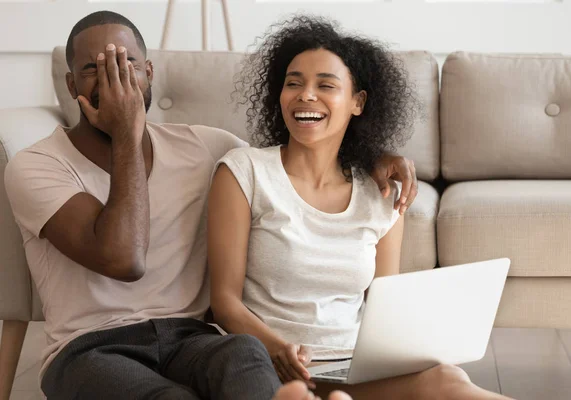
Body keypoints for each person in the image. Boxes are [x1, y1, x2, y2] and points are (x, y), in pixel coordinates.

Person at [4, 11, 418, 400]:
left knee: (246, 357)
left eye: (126, 63)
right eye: (93, 68)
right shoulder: (37, 165)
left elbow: (296, 158)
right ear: (72, 85)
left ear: (149, 74)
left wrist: (372, 157)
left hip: (193, 338)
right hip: (90, 349)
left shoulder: (207, 146)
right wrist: (128, 132)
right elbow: (123, 259)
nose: (114, 80)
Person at [208, 16, 513, 400]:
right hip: (263, 363)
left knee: (448, 379)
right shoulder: (244, 172)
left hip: (352, 369)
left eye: (326, 85)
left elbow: (383, 311)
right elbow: (224, 302)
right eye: (294, 83)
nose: (305, 95)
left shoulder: (380, 196)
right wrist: (276, 348)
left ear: (358, 102)